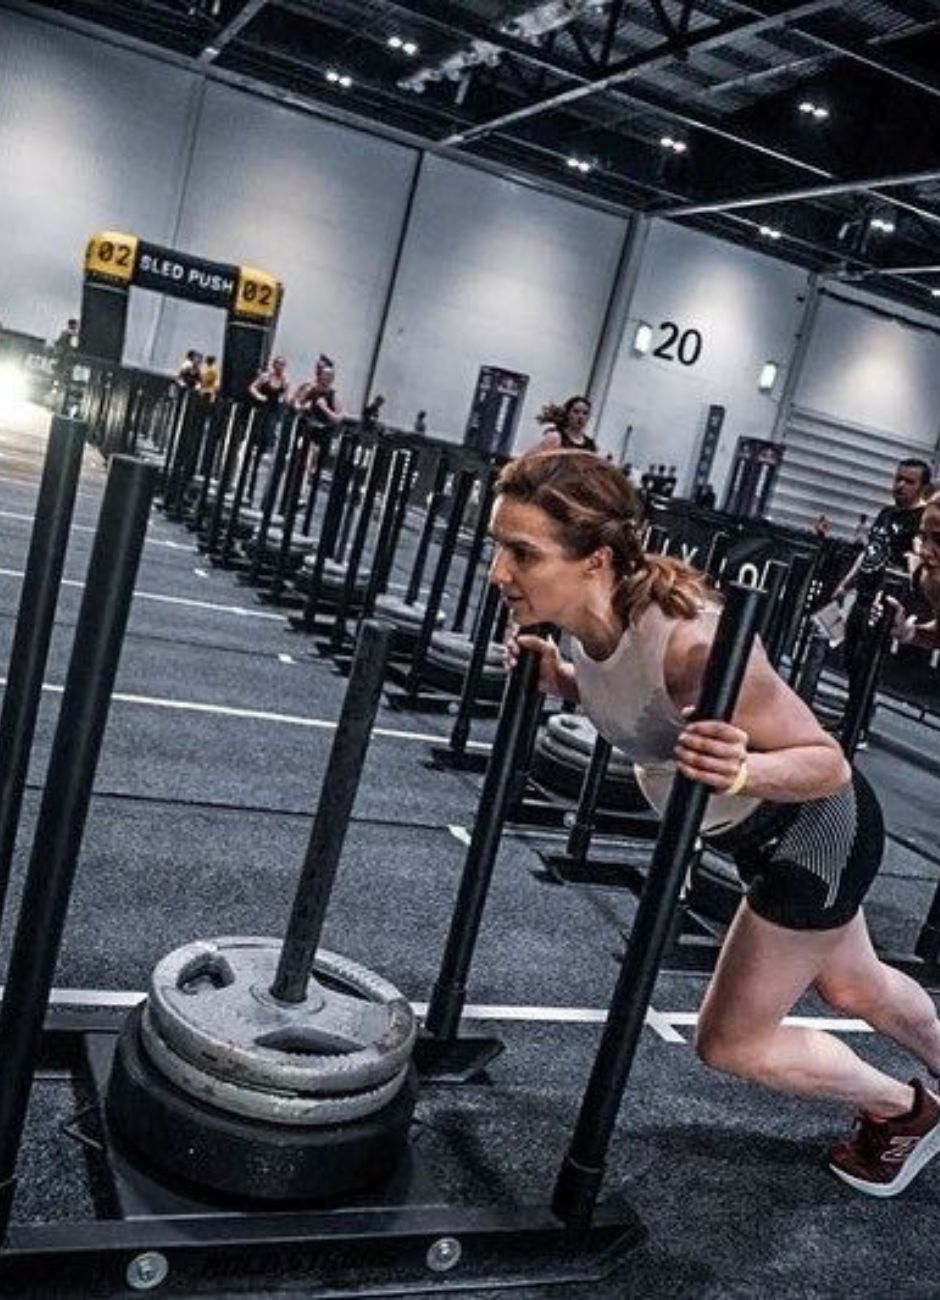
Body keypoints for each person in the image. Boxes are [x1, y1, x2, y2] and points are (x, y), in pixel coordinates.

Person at [491, 450, 940, 1198]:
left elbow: (825, 762)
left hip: (814, 833)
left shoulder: (691, 645)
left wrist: (740, 771)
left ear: (595, 558)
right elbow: (635, 707)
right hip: (763, 836)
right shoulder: (581, 616)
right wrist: (563, 682)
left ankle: (905, 1112)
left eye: (521, 553)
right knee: (856, 988)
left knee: (730, 1042)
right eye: (498, 547)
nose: (499, 573)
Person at [831, 459, 932, 744]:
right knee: (851, 662)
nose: (900, 485)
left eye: (909, 481)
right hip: (862, 597)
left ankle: (857, 729)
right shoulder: (886, 514)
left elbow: (920, 565)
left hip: (886, 605)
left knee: (867, 665)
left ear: (922, 488)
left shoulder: (921, 523)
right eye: (898, 478)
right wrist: (845, 584)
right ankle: (852, 718)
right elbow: (870, 552)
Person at [531, 395, 596, 453]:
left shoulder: (590, 445)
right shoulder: (556, 437)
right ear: (567, 414)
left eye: (585, 413)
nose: (580, 417)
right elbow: (534, 457)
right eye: (576, 412)